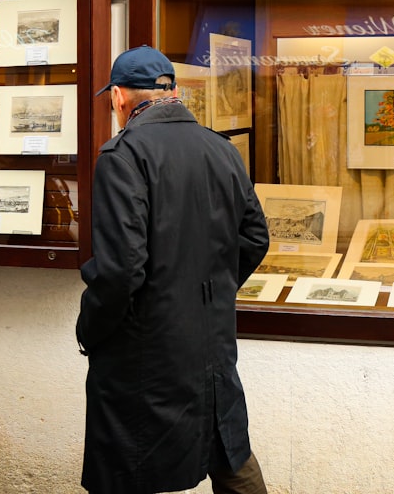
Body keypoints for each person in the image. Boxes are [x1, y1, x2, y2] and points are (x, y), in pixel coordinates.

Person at [76, 45, 270, 494]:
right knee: (228, 448)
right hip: (211, 337)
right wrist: (212, 292)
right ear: (174, 91)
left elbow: (122, 269)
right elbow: (255, 237)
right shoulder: (221, 149)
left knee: (126, 466)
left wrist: (91, 327)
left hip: (145, 346)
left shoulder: (122, 155)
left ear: (118, 97)